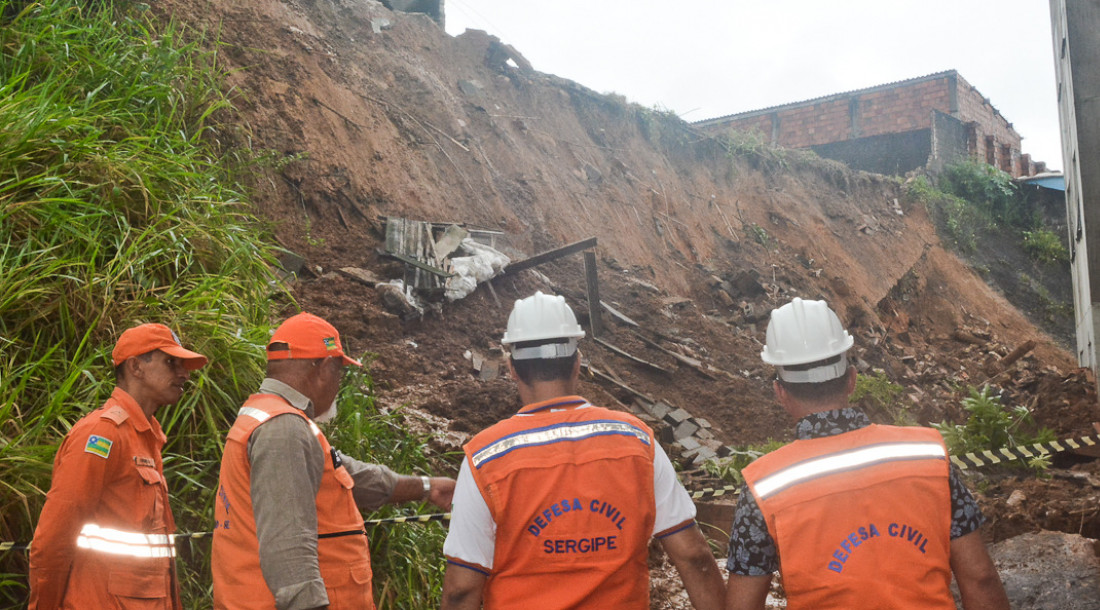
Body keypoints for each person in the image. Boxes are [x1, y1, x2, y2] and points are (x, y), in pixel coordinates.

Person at [441, 291, 724, 610]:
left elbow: (461, 589)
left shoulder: (485, 458)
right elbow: (693, 555)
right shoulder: (637, 441)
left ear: (512, 369)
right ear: (577, 364)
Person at [724, 297, 1010, 610]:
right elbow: (980, 579)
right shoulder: (928, 456)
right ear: (852, 379)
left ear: (780, 392)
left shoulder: (765, 486)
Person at [212, 311, 455, 610]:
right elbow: (288, 546)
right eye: (340, 373)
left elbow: (353, 477)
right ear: (326, 368)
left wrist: (428, 487)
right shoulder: (284, 429)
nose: (338, 384)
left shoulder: (270, 415)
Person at [28, 323, 209, 609]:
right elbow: (54, 538)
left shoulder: (147, 437)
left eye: (183, 366)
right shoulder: (103, 434)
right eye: (171, 363)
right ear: (136, 367)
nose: (184, 374)